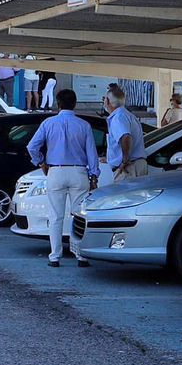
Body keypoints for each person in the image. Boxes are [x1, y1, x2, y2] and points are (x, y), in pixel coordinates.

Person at [25, 88, 100, 268]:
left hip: (55, 171)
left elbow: (32, 146)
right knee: (78, 215)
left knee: (56, 215)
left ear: (57, 104)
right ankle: (80, 255)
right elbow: (92, 153)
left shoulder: (48, 123)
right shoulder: (84, 125)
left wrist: (41, 162)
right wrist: (94, 175)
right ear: (74, 104)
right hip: (79, 172)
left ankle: (54, 256)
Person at [104, 90, 148, 181]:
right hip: (135, 165)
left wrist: (124, 160)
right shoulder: (127, 115)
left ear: (107, 101)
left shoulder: (118, 117)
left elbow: (125, 136)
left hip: (129, 168)